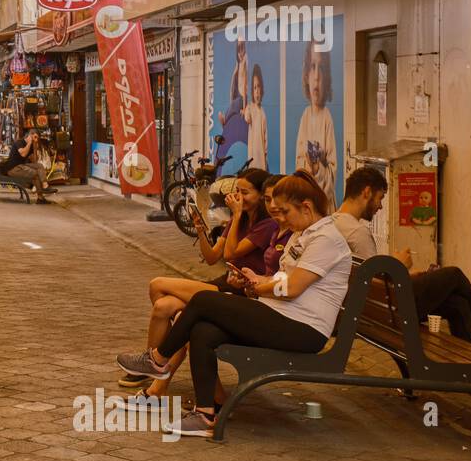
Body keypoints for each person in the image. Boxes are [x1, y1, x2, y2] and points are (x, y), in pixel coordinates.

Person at [118, 170, 353, 438]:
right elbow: (284, 279)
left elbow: (293, 287)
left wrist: (260, 287)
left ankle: (158, 359)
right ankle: (206, 414)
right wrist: (258, 279)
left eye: (286, 212)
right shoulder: (305, 234)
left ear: (307, 207)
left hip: (303, 329)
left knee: (204, 300)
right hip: (281, 315)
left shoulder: (325, 239)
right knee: (203, 330)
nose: (282, 219)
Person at [120, 170, 282, 409]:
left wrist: (236, 216)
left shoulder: (264, 225)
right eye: (236, 191)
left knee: (159, 287)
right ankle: (156, 374)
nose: (237, 197)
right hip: (226, 282)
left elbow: (230, 254)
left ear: (259, 196)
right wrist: (200, 230)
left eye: (245, 192)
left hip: (240, 291)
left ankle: (154, 368)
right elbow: (212, 257)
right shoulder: (242, 219)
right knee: (164, 305)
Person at [295, 41, 338, 211]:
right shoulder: (305, 116)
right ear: (306, 75)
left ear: (326, 77)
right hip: (306, 203)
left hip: (323, 206)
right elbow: (298, 162)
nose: (316, 76)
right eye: (312, 67)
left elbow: (332, 174)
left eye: (321, 68)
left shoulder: (327, 117)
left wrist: (317, 168)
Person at [331, 165, 384, 260]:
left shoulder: (331, 222)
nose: (380, 206)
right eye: (380, 198)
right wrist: (399, 264)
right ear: (367, 192)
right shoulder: (358, 233)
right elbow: (373, 274)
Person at [1, 129, 54, 203]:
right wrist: (29, 143)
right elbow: (23, 154)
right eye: (35, 137)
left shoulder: (31, 146)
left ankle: (45, 186)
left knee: (39, 166)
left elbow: (35, 161)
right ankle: (40, 198)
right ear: (30, 135)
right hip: (12, 168)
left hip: (21, 166)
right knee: (35, 173)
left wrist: (35, 146)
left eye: (37, 138)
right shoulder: (19, 142)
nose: (36, 139)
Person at [244, 64, 269, 170]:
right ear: (252, 92)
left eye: (258, 86)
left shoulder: (263, 113)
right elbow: (247, 118)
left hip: (261, 157)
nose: (257, 91)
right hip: (252, 156)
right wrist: (246, 112)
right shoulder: (250, 108)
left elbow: (265, 137)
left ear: (262, 89)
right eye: (254, 88)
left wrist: (265, 154)